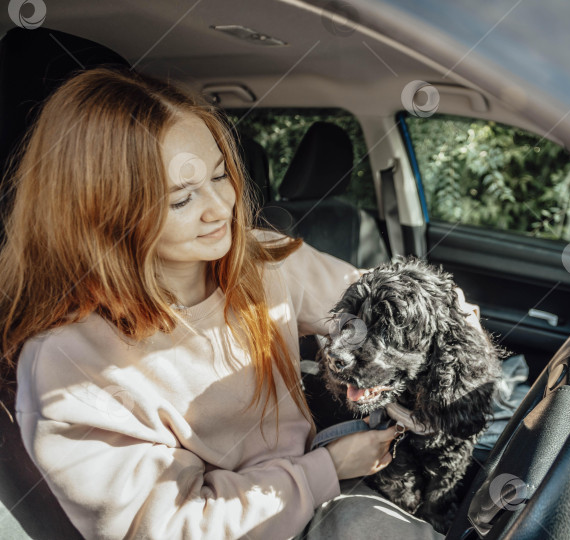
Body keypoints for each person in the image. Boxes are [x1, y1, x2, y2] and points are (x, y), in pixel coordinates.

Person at [0, 67, 480, 539]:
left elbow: (388, 302)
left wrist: (459, 330)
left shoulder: (261, 258)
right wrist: (326, 468)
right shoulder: (68, 366)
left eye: (219, 175)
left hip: (315, 487)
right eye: (182, 199)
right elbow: (173, 528)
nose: (221, 208)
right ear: (104, 213)